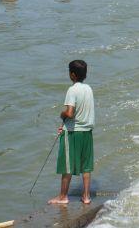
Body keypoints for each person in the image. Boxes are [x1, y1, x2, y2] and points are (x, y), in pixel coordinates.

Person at [49, 60, 95, 205]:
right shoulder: (89, 89)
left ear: (72, 75)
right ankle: (86, 197)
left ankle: (63, 197)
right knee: (86, 166)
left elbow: (70, 113)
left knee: (67, 165)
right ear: (85, 74)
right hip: (87, 132)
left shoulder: (72, 90)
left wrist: (62, 115)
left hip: (73, 133)